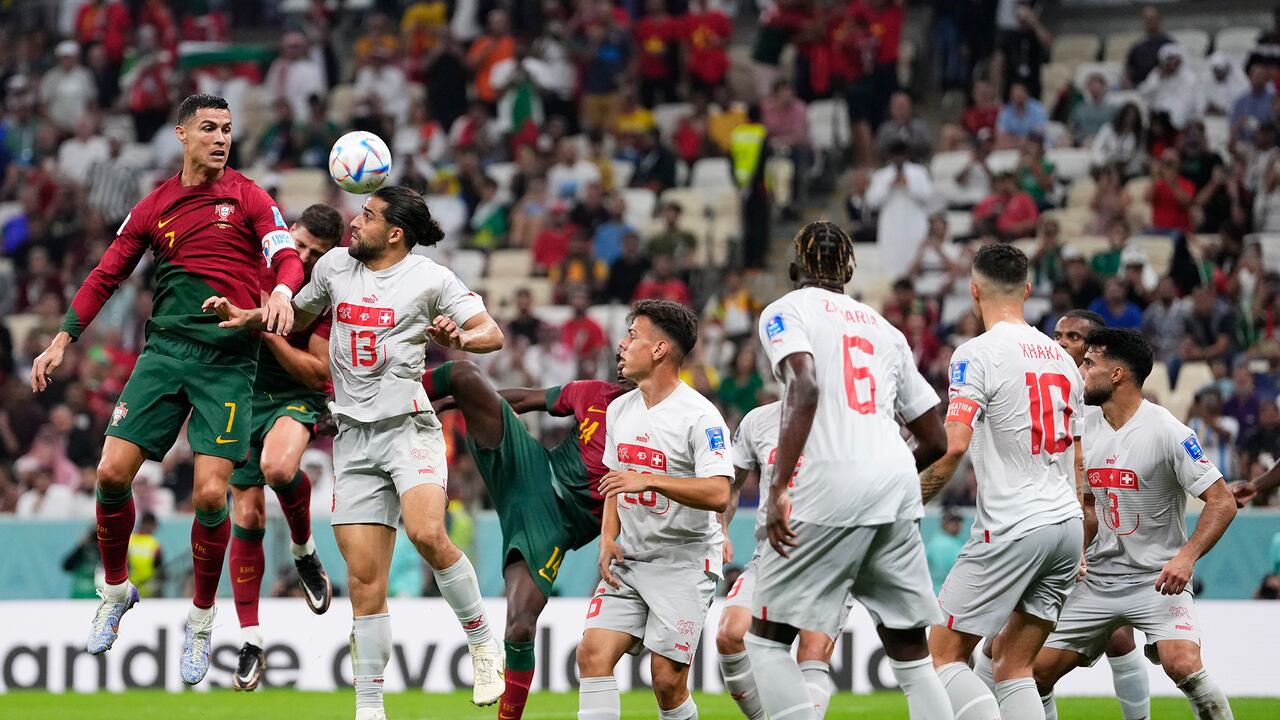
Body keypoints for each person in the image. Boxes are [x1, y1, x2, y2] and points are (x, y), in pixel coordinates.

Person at [29, 93, 305, 685]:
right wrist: (61, 339)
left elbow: (286, 255)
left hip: (228, 362)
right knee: (109, 475)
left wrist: (281, 290)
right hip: (164, 355)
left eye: (228, 129)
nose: (221, 137)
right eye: (208, 128)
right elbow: (107, 273)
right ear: (181, 134)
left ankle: (201, 620)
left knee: (210, 497)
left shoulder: (250, 197)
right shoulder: (155, 205)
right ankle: (116, 589)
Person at [205, 185, 506, 717]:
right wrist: (250, 314)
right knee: (366, 583)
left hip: (408, 428)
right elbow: (296, 318)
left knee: (428, 534)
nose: (354, 222)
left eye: (366, 216)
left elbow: (492, 333)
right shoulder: (336, 266)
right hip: (353, 438)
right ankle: (370, 708)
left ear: (395, 233)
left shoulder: (430, 278)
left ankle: (483, 644)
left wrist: (460, 338)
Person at [746, 221, 951, 720]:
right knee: (911, 654)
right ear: (850, 271)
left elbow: (805, 385)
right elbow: (936, 439)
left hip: (829, 483)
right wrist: (891, 471)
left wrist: (776, 490)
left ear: (795, 268)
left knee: (767, 642)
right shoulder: (885, 329)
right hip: (896, 487)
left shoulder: (785, 310)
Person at [1034, 328, 1238, 720]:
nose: (1081, 372)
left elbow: (1222, 501)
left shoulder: (1168, 431)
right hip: (1097, 579)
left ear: (1116, 375)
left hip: (1157, 580)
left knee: (1183, 665)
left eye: (1089, 364)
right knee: (1036, 673)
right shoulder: (1084, 425)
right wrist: (1076, 548)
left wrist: (1186, 558)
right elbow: (1091, 504)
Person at [919, 243, 1085, 720]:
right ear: (1027, 290)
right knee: (1012, 664)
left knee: (941, 655)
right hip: (1065, 528)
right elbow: (1077, 455)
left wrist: (910, 500)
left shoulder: (975, 354)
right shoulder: (1062, 361)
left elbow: (952, 447)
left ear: (974, 291)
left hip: (1014, 523)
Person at [427, 361, 636, 720]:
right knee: (463, 376)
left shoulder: (661, 427)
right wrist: (461, 401)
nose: (622, 356)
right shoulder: (594, 393)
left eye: (630, 345)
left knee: (520, 624)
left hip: (557, 525)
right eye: (621, 348)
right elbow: (525, 400)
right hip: (532, 469)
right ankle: (386, 398)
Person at [576, 300, 732, 720]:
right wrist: (608, 537)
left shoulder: (701, 417)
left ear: (660, 350)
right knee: (592, 654)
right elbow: (615, 482)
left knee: (666, 680)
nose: (622, 345)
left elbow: (719, 493)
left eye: (633, 336)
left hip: (684, 563)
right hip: (630, 557)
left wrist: (651, 479)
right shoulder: (619, 409)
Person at [227, 204, 344, 691]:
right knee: (247, 517)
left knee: (279, 468)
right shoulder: (250, 262)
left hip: (294, 395)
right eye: (299, 245)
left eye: (316, 253)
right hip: (239, 393)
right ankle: (251, 641)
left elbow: (319, 373)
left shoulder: (324, 296)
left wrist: (267, 329)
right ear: (286, 233)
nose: (304, 256)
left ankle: (303, 550)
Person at [717, 399, 855, 720]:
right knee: (729, 633)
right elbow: (731, 485)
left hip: (830, 560)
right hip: (770, 556)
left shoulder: (847, 419)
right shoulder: (758, 421)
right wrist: (722, 528)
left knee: (814, 648)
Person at [867, 140, 934, 277]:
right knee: (892, 259)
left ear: (906, 155)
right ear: (890, 156)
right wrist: (889, 186)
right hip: (891, 225)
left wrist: (909, 185)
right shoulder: (881, 175)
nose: (898, 158)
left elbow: (928, 196)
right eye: (895, 155)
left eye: (901, 155)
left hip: (914, 222)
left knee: (915, 255)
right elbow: (871, 201)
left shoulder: (918, 172)